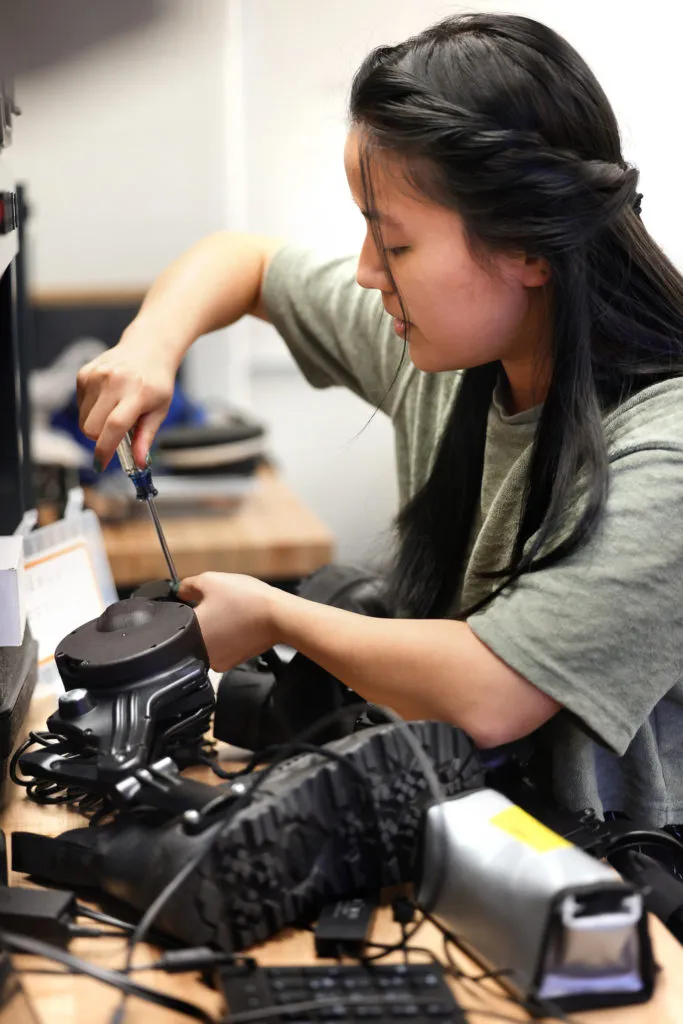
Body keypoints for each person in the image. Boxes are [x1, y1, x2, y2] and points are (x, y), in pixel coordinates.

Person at [76, 13, 683, 828]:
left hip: (617, 891)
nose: (366, 274)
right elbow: (244, 261)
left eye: (392, 244)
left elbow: (492, 692)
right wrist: (151, 343)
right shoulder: (453, 347)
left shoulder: (663, 450)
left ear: (530, 251)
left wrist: (275, 614)